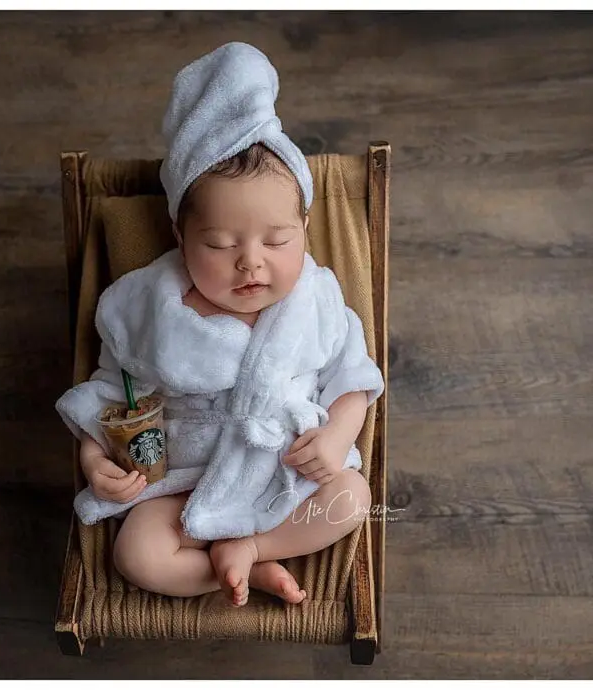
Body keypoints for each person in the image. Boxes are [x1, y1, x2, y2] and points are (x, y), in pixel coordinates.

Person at [55, 42, 384, 608]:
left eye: (277, 240)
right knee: (135, 555)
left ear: (304, 224)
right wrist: (93, 457)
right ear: (181, 236)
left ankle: (256, 547)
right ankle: (242, 563)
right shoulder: (146, 308)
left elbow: (353, 378)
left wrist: (335, 437)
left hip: (285, 475)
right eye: (220, 243)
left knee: (352, 498)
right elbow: (114, 393)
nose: (250, 260)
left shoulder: (317, 299)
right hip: (187, 486)